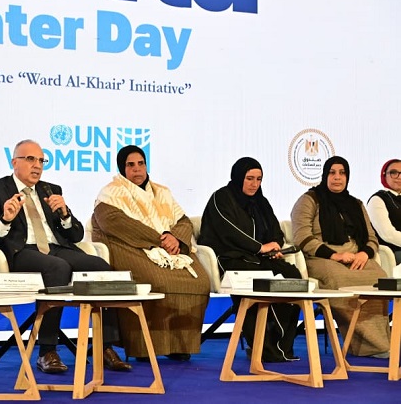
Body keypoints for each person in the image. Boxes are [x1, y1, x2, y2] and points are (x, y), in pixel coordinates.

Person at [0, 139, 132, 374]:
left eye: (41, 160)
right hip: (22, 252)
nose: (37, 165)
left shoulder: (51, 189)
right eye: (31, 159)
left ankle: (105, 347)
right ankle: (47, 351)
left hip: (56, 248)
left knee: (101, 267)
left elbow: (76, 235)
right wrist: (6, 219)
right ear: (14, 162)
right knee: (58, 267)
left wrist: (65, 214)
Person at [91, 145, 210, 361]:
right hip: (134, 248)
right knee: (158, 280)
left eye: (141, 164)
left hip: (169, 248)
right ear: (122, 168)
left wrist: (175, 239)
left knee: (200, 281)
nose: (137, 169)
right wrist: (160, 239)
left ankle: (180, 345)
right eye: (130, 165)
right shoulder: (110, 193)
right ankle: (146, 347)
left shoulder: (162, 191)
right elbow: (113, 222)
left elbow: (183, 221)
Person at [199, 157, 301, 362]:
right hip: (231, 258)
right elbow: (229, 231)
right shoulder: (221, 198)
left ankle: (282, 346)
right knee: (259, 281)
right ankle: (264, 347)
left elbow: (275, 230)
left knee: (292, 275)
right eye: (249, 178)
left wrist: (275, 245)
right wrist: (260, 247)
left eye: (259, 179)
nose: (255, 184)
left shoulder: (261, 202)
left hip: (259, 259)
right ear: (238, 177)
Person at [291, 155, 390, 357]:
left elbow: (372, 238)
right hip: (322, 258)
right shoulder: (309, 200)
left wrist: (364, 254)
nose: (337, 177)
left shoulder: (356, 204)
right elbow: (301, 237)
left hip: (356, 257)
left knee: (379, 278)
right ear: (325, 175)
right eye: (332, 173)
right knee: (340, 279)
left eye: (342, 173)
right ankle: (368, 344)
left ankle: (381, 343)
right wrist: (335, 255)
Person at [367, 159, 401, 265]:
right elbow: (387, 234)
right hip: (392, 253)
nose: (399, 177)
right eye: (394, 173)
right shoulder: (377, 199)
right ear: (384, 175)